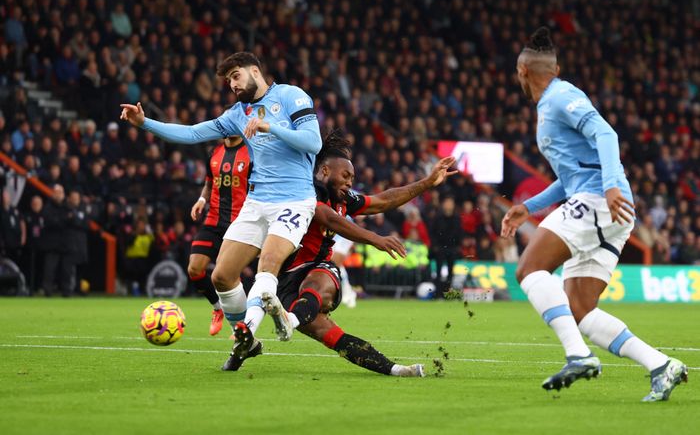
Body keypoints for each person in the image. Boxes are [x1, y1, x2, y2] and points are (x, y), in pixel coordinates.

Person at [500, 27, 687, 402]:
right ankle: (661, 365)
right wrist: (529, 207)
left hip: (601, 200)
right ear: (554, 68)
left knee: (529, 269)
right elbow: (570, 178)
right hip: (604, 206)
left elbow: (607, 134)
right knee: (580, 309)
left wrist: (612, 184)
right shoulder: (550, 104)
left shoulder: (560, 97)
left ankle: (578, 356)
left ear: (522, 71)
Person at [120, 52, 322, 367]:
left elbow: (313, 143)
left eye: (236, 76)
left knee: (268, 262)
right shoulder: (236, 115)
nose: (232, 84)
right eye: (228, 80)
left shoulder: (290, 96)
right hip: (256, 202)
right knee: (222, 276)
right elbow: (192, 133)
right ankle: (249, 342)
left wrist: (270, 127)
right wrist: (145, 123)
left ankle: (245, 334)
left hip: (294, 200)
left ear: (255, 71)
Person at [248, 131, 456, 375]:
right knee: (328, 333)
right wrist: (375, 239)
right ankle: (278, 327)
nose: (349, 182)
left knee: (320, 279)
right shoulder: (305, 191)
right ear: (325, 171)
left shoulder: (344, 199)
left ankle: (395, 369)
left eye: (352, 178)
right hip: (284, 280)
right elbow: (329, 219)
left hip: (317, 270)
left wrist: (427, 182)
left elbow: (382, 201)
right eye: (345, 176)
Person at [188, 135, 250, 336]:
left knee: (229, 276)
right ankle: (218, 308)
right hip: (213, 220)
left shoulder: (251, 153)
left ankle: (241, 325)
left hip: (239, 223)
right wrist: (201, 200)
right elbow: (209, 183)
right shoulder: (214, 152)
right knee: (194, 269)